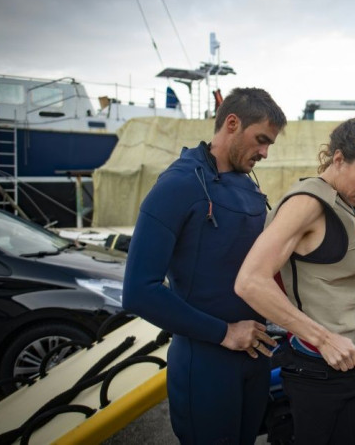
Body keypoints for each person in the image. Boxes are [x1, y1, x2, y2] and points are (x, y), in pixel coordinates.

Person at [122, 87, 286, 444]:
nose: (265, 152)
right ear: (231, 123)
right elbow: (138, 291)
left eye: (269, 143)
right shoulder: (178, 185)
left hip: (254, 359)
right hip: (206, 365)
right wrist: (225, 333)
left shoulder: (249, 186)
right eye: (260, 140)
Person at [235, 116, 355, 444]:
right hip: (318, 370)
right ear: (339, 159)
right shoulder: (306, 204)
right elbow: (250, 281)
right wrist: (324, 339)